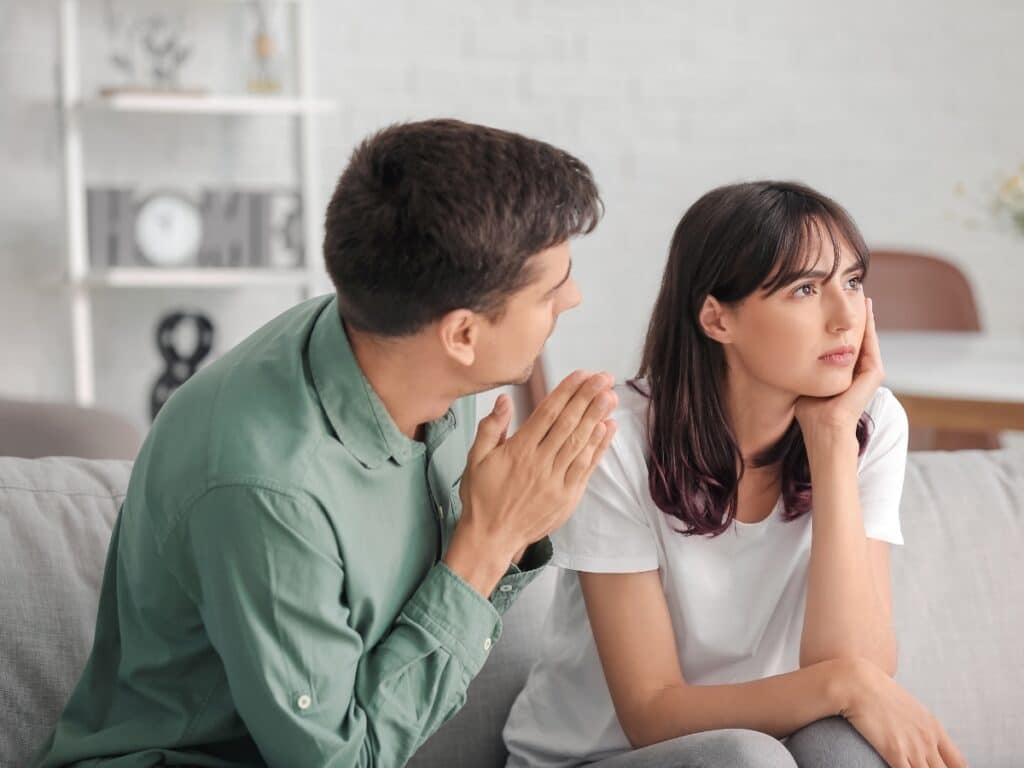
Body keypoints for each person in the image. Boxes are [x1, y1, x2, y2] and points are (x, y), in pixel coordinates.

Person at [34, 119, 618, 767]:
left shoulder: (408, 349)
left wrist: (508, 528)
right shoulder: (266, 486)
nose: (574, 298)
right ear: (462, 334)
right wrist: (488, 544)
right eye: (552, 288)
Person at [503, 181, 966, 768]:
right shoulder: (617, 440)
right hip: (595, 759)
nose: (847, 317)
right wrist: (845, 684)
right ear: (717, 319)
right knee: (751, 758)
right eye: (805, 289)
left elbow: (855, 663)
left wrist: (830, 444)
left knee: (844, 746)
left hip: (762, 743)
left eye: (852, 282)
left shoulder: (867, 421)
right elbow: (651, 712)